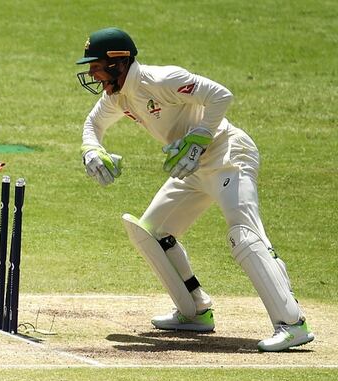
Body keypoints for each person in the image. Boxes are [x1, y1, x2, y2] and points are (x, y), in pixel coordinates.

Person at [75, 27, 313, 351]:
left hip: (228, 155)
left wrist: (199, 137)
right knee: (152, 233)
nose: (92, 73)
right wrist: (93, 150)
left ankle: (292, 324)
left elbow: (220, 95)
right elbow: (93, 125)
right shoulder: (117, 96)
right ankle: (195, 312)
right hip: (191, 168)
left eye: (97, 65)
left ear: (119, 62)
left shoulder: (160, 79)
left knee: (243, 234)